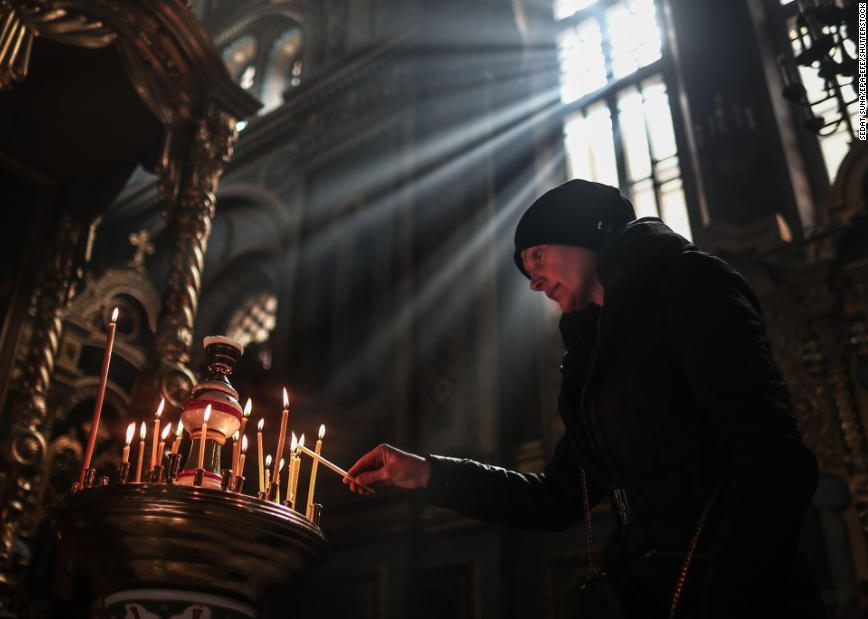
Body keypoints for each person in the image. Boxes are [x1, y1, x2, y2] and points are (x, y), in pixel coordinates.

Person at [345, 180, 824, 618]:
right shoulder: (589, 353)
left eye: (536, 257)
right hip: (649, 594)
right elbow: (556, 499)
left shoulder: (691, 284)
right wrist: (427, 472)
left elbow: (774, 460)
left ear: (585, 233)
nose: (533, 282)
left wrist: (727, 597)